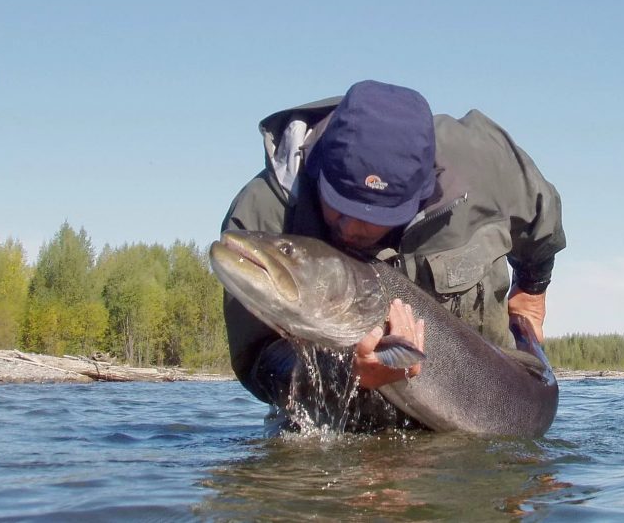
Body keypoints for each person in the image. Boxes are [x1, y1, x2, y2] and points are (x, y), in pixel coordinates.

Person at [221, 80, 565, 409]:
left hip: (500, 401)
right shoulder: (262, 216)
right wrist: (344, 374)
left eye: (376, 217)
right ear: (320, 169)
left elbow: (542, 219)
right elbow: (258, 362)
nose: (352, 228)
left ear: (423, 190)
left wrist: (532, 292)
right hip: (333, 417)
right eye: (339, 205)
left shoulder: (483, 161)